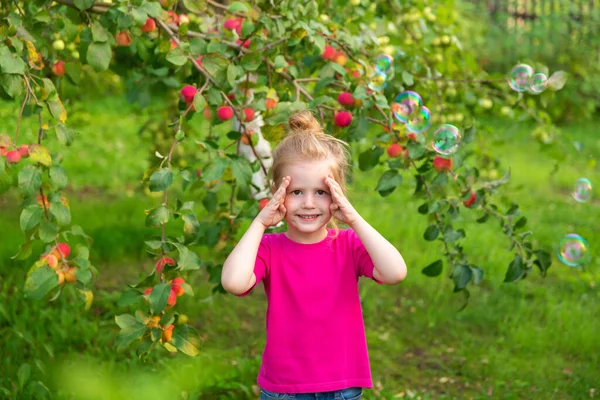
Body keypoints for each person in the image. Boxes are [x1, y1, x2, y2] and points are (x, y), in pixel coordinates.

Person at [221, 110, 407, 400]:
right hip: (284, 390)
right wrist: (260, 222)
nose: (308, 203)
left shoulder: (348, 244)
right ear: (277, 194)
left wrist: (354, 218)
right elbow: (234, 282)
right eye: (296, 192)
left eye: (321, 192)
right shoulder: (270, 249)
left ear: (337, 195)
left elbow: (395, 272)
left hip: (341, 389)